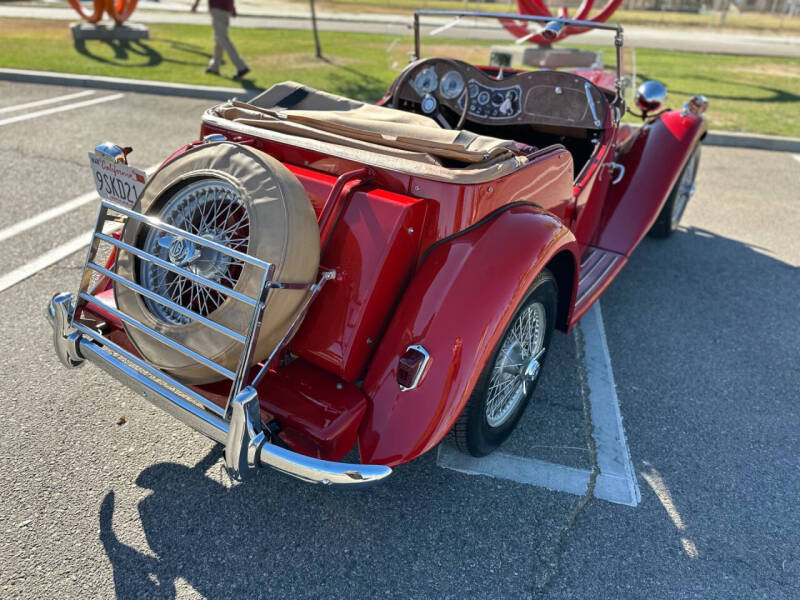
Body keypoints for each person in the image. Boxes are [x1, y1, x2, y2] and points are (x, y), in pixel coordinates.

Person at [191, 0, 250, 80]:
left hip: (217, 8)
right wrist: (233, 8)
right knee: (219, 39)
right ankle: (214, 67)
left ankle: (241, 67)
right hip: (226, 9)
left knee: (223, 39)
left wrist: (196, 4)